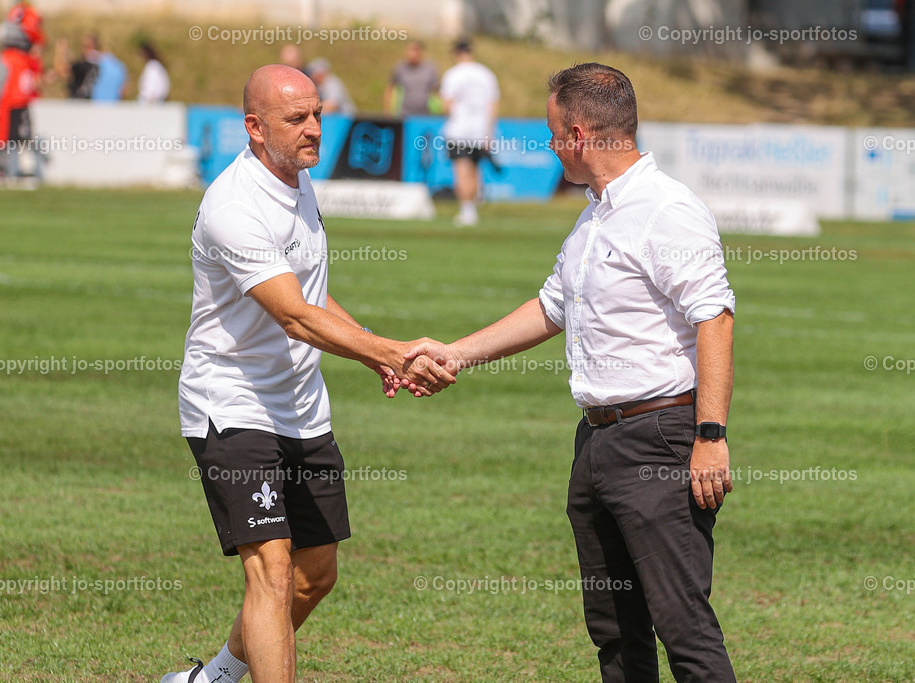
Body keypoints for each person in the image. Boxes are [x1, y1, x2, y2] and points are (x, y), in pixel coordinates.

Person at [405, 63, 737, 682]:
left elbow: (714, 318)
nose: (550, 144)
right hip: (597, 442)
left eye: (553, 133)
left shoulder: (667, 209)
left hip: (658, 439)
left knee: (682, 626)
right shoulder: (595, 217)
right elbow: (550, 308)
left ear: (579, 135)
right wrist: (454, 353)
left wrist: (710, 437)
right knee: (615, 631)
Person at [166, 64, 455, 683]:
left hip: (301, 406)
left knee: (314, 575)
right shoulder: (234, 205)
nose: (315, 128)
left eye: (318, 113)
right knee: (271, 573)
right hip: (233, 405)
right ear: (254, 127)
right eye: (296, 118)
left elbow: (311, 295)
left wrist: (372, 350)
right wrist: (392, 353)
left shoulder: (297, 179)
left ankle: (212, 678)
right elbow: (294, 316)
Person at [439, 38, 498, 227]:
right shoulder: (486, 74)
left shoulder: (453, 74)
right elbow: (493, 106)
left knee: (461, 170)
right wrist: (489, 133)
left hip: (459, 130)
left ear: (456, 53)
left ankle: (466, 210)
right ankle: (473, 206)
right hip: (480, 131)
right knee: (475, 170)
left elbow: (446, 106)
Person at [0, 19, 43, 184]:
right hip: (22, 104)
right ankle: (25, 169)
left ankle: (3, 169)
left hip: (8, 104)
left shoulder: (4, 58)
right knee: (23, 138)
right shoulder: (26, 59)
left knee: (5, 138)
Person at [383, 40, 438, 116]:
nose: (412, 53)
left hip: (426, 114)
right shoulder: (400, 68)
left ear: (421, 52)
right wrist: (387, 112)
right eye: (409, 50)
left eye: (415, 50)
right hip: (404, 114)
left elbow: (437, 92)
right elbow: (389, 89)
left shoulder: (430, 68)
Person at [85, 33, 127, 102]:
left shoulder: (92, 63)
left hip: (96, 104)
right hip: (113, 104)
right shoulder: (117, 64)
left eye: (86, 47)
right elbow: (123, 90)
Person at [137, 39, 170, 104]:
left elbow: (151, 87)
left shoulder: (152, 67)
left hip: (152, 102)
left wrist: (149, 100)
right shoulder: (155, 66)